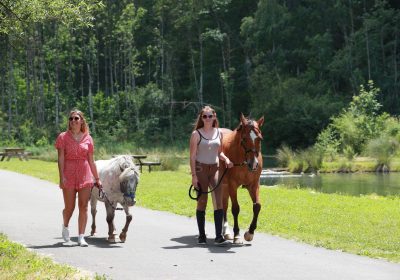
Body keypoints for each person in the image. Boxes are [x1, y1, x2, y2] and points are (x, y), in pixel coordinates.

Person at [55, 109, 102, 247]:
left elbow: (91, 161)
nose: (73, 121)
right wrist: (61, 176)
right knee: (69, 208)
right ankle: (65, 225)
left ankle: (81, 237)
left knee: (84, 206)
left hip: (84, 175)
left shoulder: (88, 138)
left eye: (76, 118)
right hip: (68, 175)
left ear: (81, 121)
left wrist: (97, 178)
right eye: (71, 119)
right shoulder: (62, 137)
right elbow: (61, 158)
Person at [189, 105, 234, 246]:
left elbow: (219, 152)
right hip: (201, 169)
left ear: (214, 117)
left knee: (218, 201)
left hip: (215, 169)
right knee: (202, 201)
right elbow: (192, 156)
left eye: (210, 116)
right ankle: (202, 236)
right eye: (205, 116)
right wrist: (194, 176)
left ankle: (218, 236)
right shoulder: (196, 134)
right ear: (201, 118)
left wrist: (226, 159)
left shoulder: (218, 133)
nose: (208, 119)